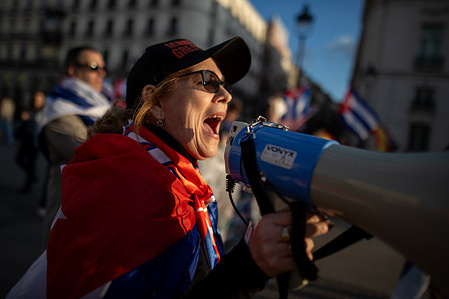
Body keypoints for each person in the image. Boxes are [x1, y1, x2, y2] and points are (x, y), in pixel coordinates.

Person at [7, 37, 331, 299]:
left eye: (225, 84)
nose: (227, 95)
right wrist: (249, 268)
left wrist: (250, 258)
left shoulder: (172, 175)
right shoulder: (140, 189)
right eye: (208, 81)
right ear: (156, 102)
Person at [38, 46, 110, 247]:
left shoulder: (102, 104)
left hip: (99, 206)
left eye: (103, 68)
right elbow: (91, 151)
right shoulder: (58, 110)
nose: (101, 73)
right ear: (72, 70)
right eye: (94, 67)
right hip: (69, 209)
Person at [15, 91, 46, 193]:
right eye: (35, 99)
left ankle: (28, 186)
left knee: (32, 163)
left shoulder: (44, 112)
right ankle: (32, 176)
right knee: (19, 159)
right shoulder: (29, 109)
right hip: (26, 139)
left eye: (39, 100)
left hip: (36, 141)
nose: (36, 101)